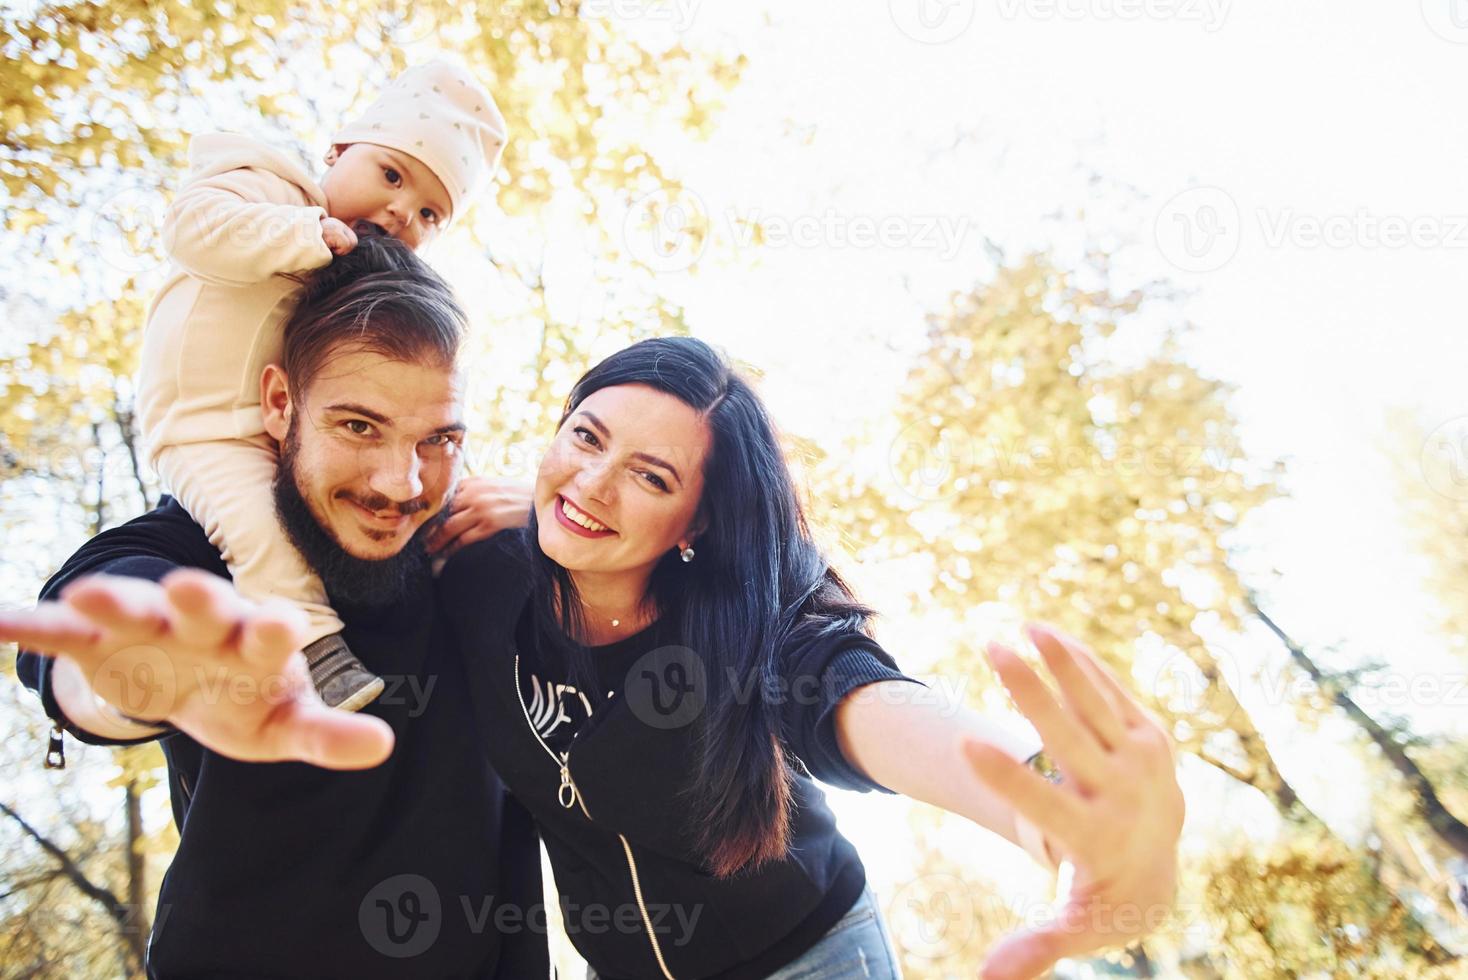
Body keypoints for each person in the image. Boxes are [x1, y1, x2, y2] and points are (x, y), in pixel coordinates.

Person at [436, 336, 1185, 980]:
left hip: (807, 956)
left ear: (697, 521)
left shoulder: (757, 632)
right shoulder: (482, 578)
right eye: (587, 437)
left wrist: (1054, 805)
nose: (593, 483)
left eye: (651, 476)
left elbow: (865, 701)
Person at [6, 234, 548, 978]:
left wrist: (571, 523)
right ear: (279, 404)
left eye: (439, 439)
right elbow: (93, 635)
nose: (401, 482)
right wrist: (143, 677)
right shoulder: (197, 547)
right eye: (358, 426)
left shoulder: (486, 554)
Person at [136, 58, 507, 711]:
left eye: (429, 213)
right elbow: (191, 228)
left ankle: (448, 562)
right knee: (255, 526)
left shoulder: (361, 285)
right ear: (336, 150)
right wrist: (304, 234)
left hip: (287, 435)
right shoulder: (271, 190)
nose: (400, 212)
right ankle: (314, 649)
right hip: (201, 425)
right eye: (391, 175)